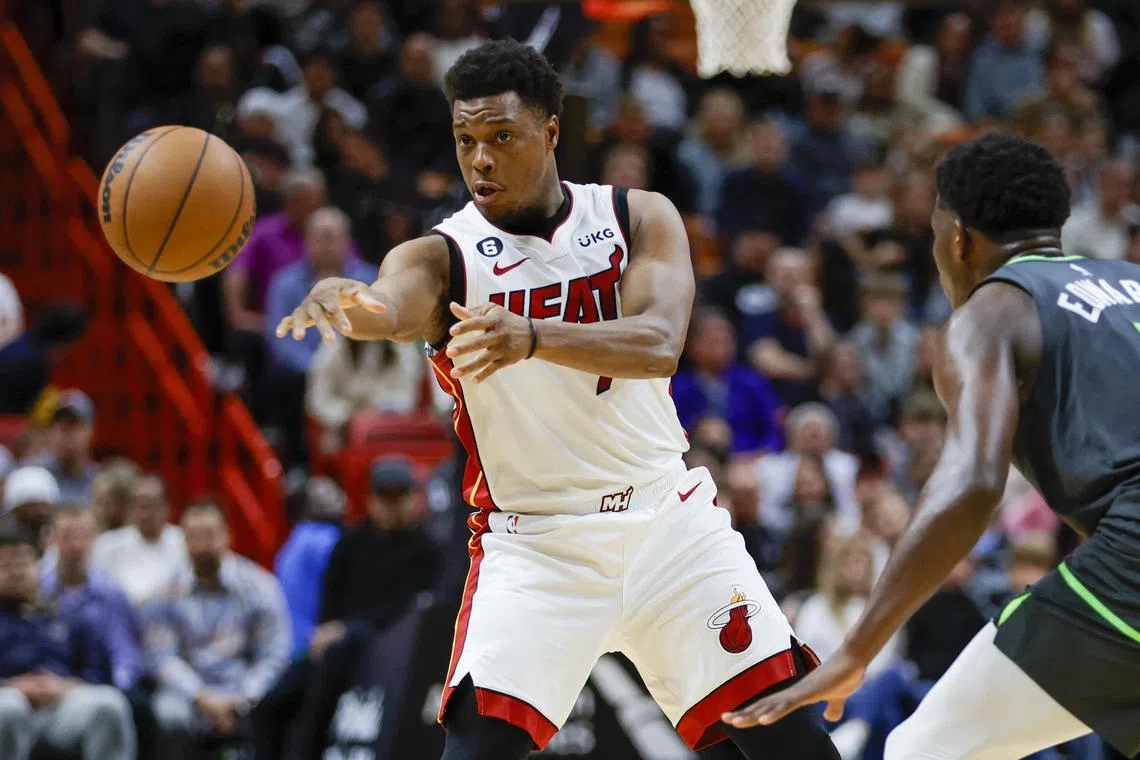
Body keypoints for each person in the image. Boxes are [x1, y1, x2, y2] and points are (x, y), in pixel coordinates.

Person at [276, 38, 838, 760]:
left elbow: (660, 343)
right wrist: (345, 302)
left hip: (668, 525)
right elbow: (386, 305)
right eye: (465, 139)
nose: (479, 159)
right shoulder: (440, 256)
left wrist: (534, 336)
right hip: (537, 548)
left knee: (794, 745)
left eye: (500, 137)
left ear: (550, 131)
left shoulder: (637, 218)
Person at [728, 133, 1140, 758]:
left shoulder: (991, 312)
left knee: (924, 750)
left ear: (957, 239)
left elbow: (974, 482)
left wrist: (856, 649)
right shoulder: (1131, 280)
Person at [253, 456, 440, 760]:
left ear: (413, 499)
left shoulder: (428, 549)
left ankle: (308, 751)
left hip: (391, 646)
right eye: (384, 497)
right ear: (371, 499)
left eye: (400, 496)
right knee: (269, 706)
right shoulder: (350, 543)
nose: (392, 506)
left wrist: (341, 629)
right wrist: (327, 629)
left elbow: (411, 607)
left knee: (342, 648)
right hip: (338, 642)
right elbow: (330, 600)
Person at [146, 502, 290, 760]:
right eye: (193, 537)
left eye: (209, 535)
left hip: (245, 691)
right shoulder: (165, 591)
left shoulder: (260, 586)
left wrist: (243, 698)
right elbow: (161, 657)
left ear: (227, 535)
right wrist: (201, 697)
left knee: (277, 707)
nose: (201, 546)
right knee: (168, 714)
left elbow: (274, 654)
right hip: (190, 694)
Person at [0, 523, 135, 760]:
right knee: (8, 708)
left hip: (61, 707)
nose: (16, 571)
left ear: (38, 565)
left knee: (110, 704)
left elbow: (98, 674)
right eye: (5, 565)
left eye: (23, 562)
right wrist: (13, 686)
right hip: (9, 703)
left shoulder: (65, 614)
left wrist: (65, 687)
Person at [91, 473, 188, 607]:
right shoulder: (108, 545)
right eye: (140, 506)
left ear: (167, 507)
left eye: (152, 505)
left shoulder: (184, 541)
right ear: (130, 509)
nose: (146, 514)